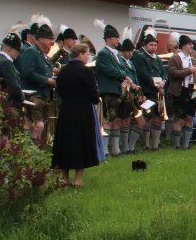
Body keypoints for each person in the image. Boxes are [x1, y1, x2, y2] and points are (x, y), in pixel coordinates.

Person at [51, 44, 100, 187]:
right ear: (80, 55)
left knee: (65, 142)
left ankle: (65, 178)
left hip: (66, 111)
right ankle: (78, 179)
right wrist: (95, 98)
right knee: (81, 142)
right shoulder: (86, 71)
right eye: (86, 54)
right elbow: (93, 94)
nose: (88, 57)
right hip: (82, 111)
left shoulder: (63, 71)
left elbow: (59, 91)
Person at [94, 20, 133, 157]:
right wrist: (124, 76)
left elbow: (123, 68)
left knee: (117, 119)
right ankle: (104, 150)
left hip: (118, 91)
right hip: (108, 90)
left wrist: (127, 77)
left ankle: (115, 149)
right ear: (109, 39)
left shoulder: (116, 54)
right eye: (116, 37)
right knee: (107, 120)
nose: (118, 40)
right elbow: (110, 70)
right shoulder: (103, 54)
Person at [18, 19, 57, 144]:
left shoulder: (42, 54)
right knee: (37, 126)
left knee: (42, 127)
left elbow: (46, 70)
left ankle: (38, 157)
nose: (52, 42)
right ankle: (31, 156)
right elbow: (27, 73)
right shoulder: (31, 52)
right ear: (40, 39)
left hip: (44, 95)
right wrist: (47, 80)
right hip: (34, 95)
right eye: (49, 39)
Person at [131, 28, 168, 150]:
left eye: (155, 45)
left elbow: (164, 73)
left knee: (159, 117)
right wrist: (155, 84)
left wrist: (163, 81)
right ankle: (145, 144)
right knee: (147, 117)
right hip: (147, 93)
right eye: (151, 45)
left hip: (159, 93)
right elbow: (143, 74)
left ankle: (155, 145)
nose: (153, 47)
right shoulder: (140, 57)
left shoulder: (158, 58)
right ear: (145, 45)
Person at [168, 34, 196, 149]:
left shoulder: (193, 60)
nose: (192, 46)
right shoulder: (175, 58)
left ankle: (186, 145)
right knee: (179, 119)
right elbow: (173, 73)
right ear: (184, 45)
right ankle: (176, 145)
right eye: (190, 44)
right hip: (180, 91)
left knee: (189, 118)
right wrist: (188, 71)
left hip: (192, 91)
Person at [0, 33, 24, 130]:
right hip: (7, 108)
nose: (18, 54)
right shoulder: (7, 63)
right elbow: (14, 87)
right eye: (17, 51)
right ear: (10, 49)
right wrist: (22, 96)